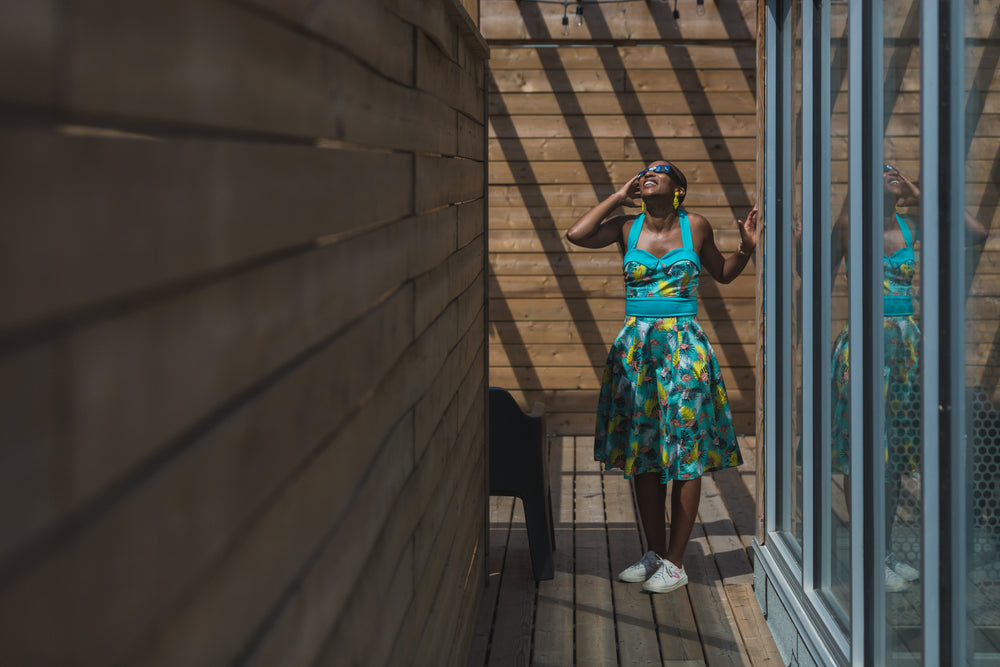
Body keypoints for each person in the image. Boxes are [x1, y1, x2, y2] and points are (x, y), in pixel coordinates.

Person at [566, 160, 758, 593]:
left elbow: (722, 275)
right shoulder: (625, 227)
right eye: (645, 171)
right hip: (636, 351)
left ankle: (676, 561)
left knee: (686, 452)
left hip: (684, 348)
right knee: (644, 452)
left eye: (661, 170)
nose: (649, 173)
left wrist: (746, 249)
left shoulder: (697, 226)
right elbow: (576, 236)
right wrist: (619, 195)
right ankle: (654, 552)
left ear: (679, 190)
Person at [829, 162, 988, 592]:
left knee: (896, 453)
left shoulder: (913, 228)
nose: (891, 172)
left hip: (905, 347)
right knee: (863, 451)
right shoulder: (849, 224)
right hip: (864, 343)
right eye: (881, 171)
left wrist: (921, 196)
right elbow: (818, 274)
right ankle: (868, 555)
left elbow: (976, 234)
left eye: (896, 170)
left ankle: (881, 553)